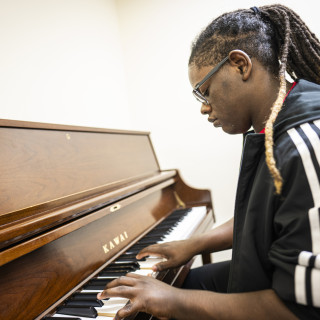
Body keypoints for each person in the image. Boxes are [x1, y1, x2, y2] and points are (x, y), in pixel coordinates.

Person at [98, 4, 320, 319]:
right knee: (183, 282)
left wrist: (172, 300)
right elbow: (262, 218)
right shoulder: (270, 128)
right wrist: (194, 244)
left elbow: (301, 311)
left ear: (240, 65)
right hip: (274, 273)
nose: (204, 108)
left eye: (205, 92)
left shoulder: (305, 145)